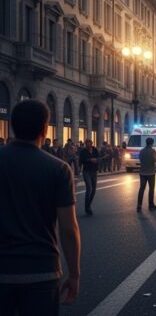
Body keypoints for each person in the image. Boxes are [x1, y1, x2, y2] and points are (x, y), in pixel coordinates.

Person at [0, 100, 81, 313]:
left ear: (12, 126)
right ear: (45, 129)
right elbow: (68, 230)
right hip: (42, 271)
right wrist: (74, 274)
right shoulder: (59, 169)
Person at [137, 138, 156, 211]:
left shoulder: (142, 151)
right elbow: (155, 160)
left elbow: (140, 158)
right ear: (152, 143)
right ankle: (151, 204)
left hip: (142, 172)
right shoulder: (152, 151)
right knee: (151, 189)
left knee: (141, 189)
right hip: (151, 172)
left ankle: (139, 205)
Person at [79, 139, 99, 216]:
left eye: (89, 143)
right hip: (86, 171)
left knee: (94, 190)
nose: (88, 145)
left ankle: (88, 205)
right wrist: (90, 160)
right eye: (86, 143)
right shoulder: (83, 151)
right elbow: (81, 160)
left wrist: (96, 160)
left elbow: (98, 158)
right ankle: (87, 208)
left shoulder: (95, 150)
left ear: (91, 144)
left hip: (94, 171)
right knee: (89, 188)